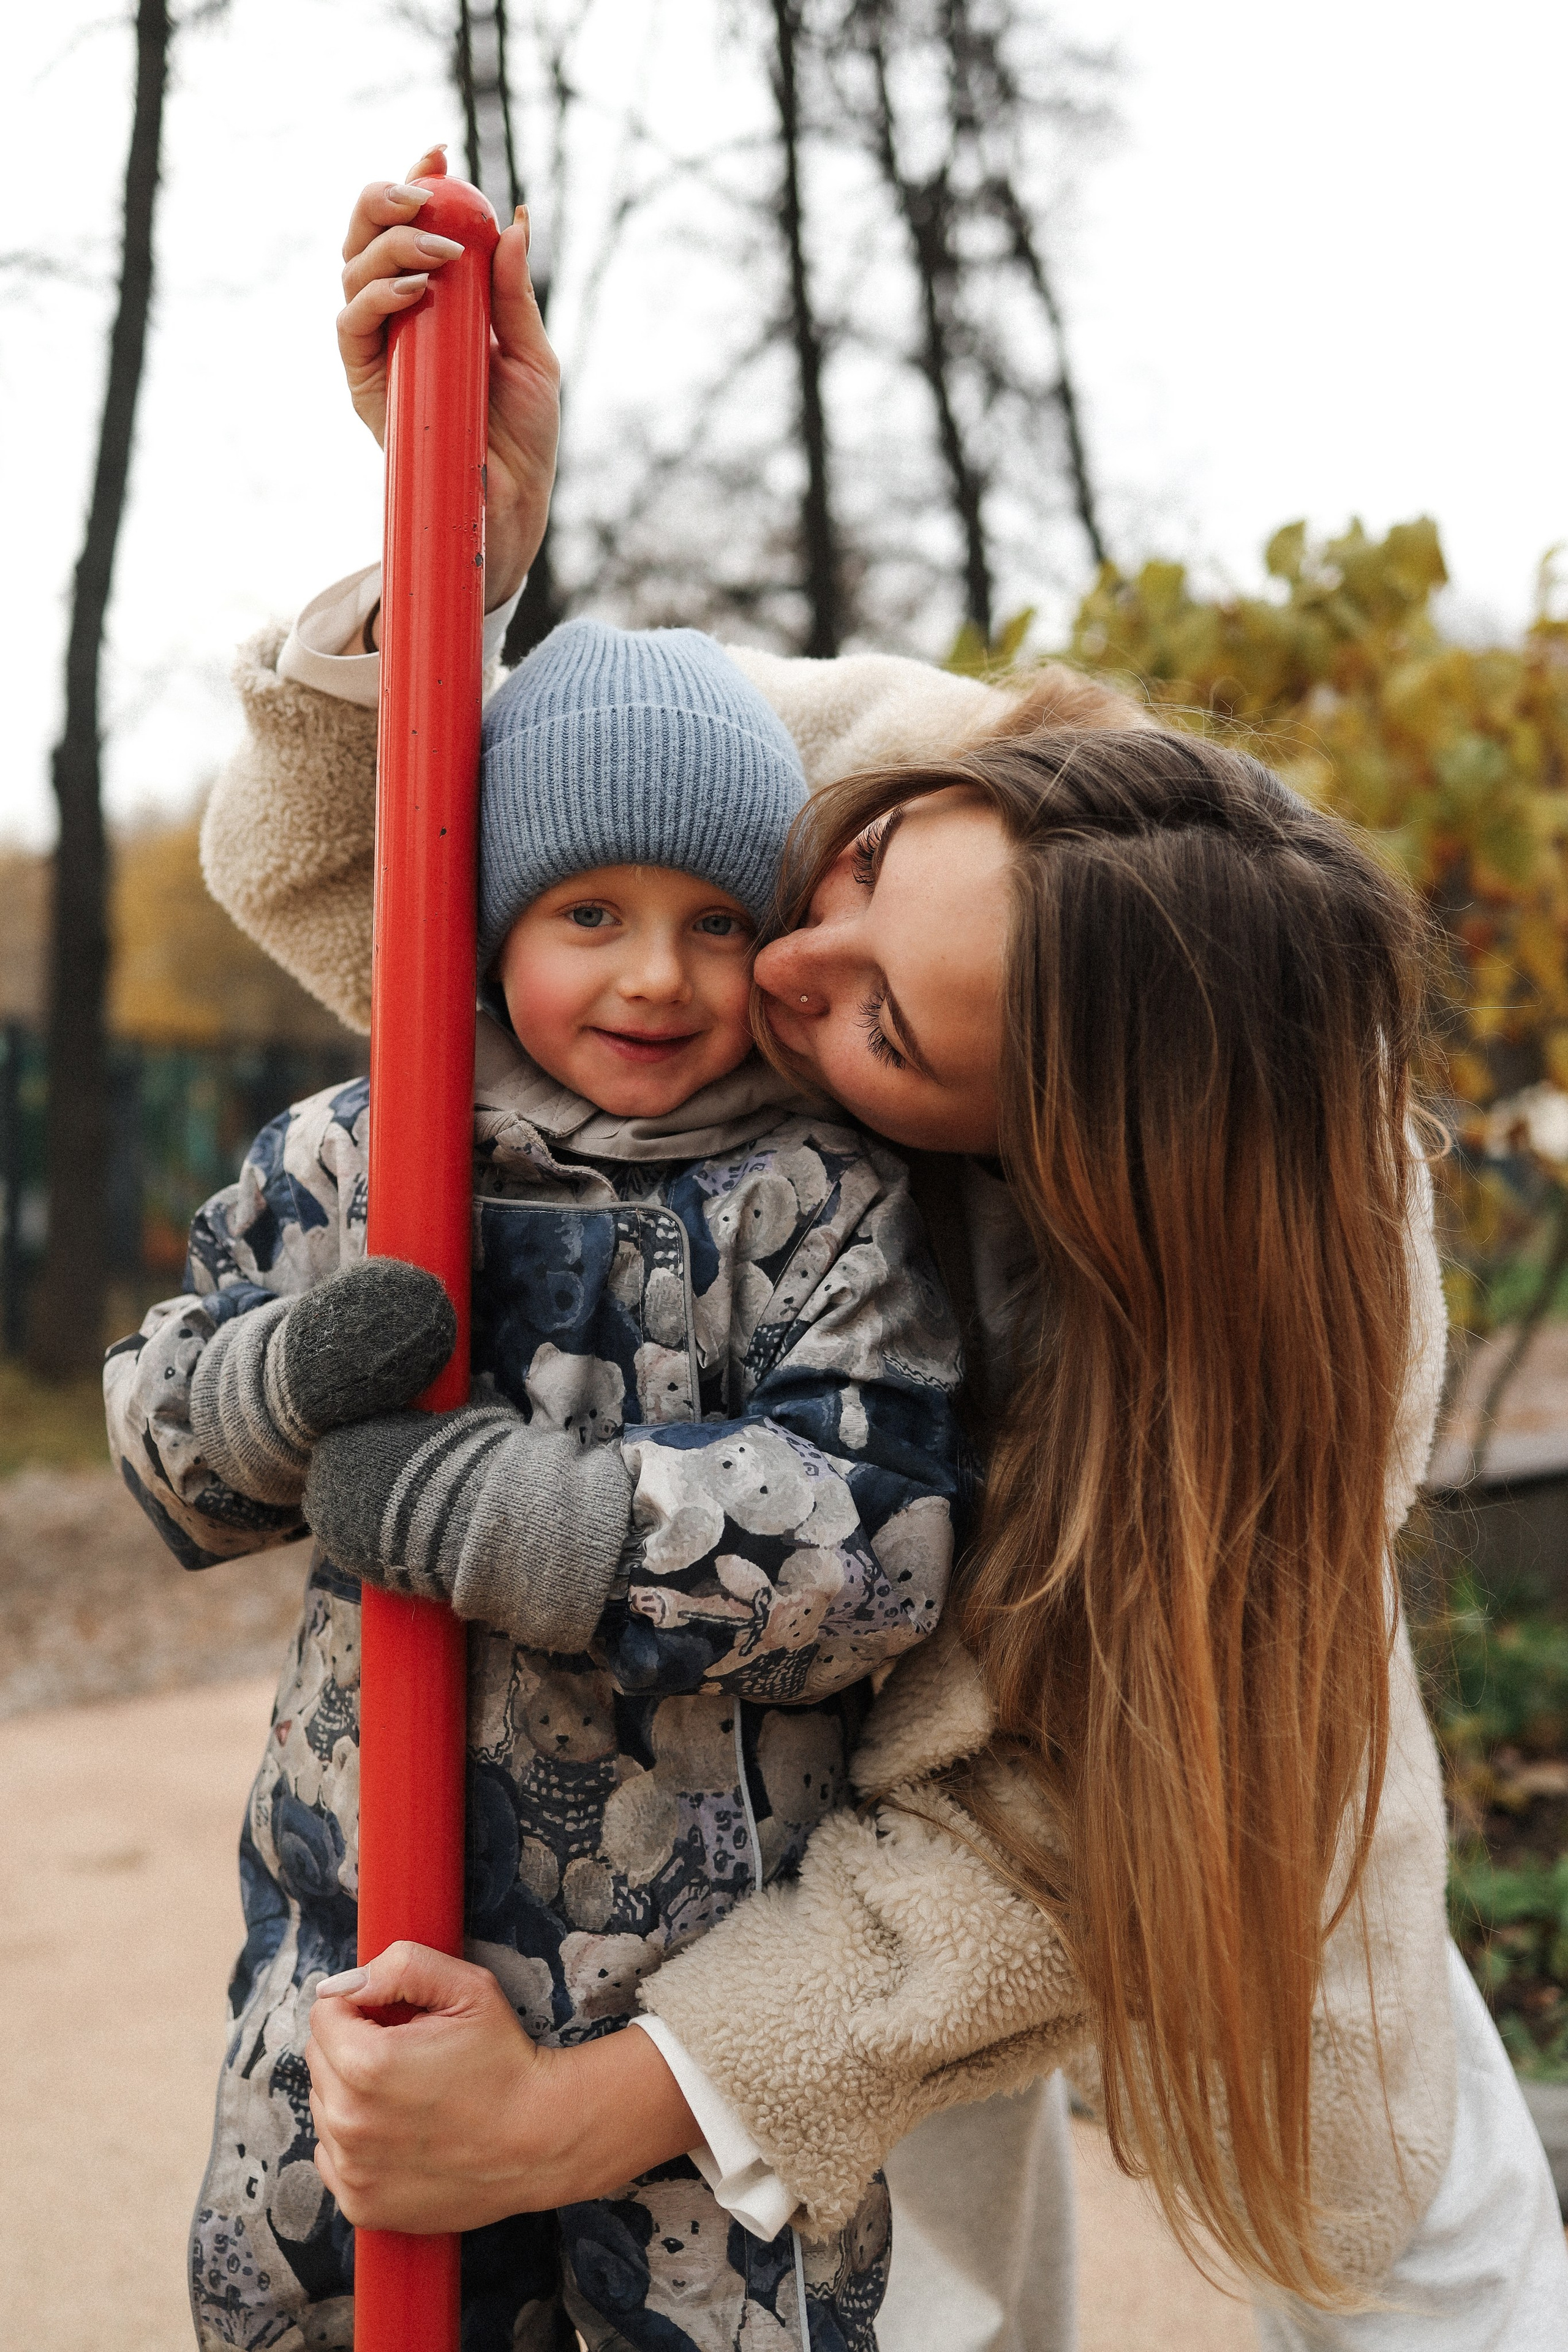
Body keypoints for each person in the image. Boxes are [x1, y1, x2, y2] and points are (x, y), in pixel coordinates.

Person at [189, 153, 1568, 2350]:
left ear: (1056, 1150)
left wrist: (563, 2121)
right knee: (890, 2241)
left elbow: (1027, 1861)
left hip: (1169, 1722)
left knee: (1400, 2227)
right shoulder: (892, 786)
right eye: (848, 886)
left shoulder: (1262, 1345)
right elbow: (402, 916)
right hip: (803, 1739)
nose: (777, 966)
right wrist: (459, 568)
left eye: (882, 1026)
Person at [107, 617, 971, 2350]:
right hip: (366, 1923)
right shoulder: (353, 1157)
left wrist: (545, 1523)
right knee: (313, 2301)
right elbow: (167, 1447)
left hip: (694, 1957)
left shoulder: (820, 1202)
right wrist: (268, 1393)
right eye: (594, 915)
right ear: (494, 916)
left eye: (715, 923)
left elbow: (878, 1540)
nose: (658, 975)